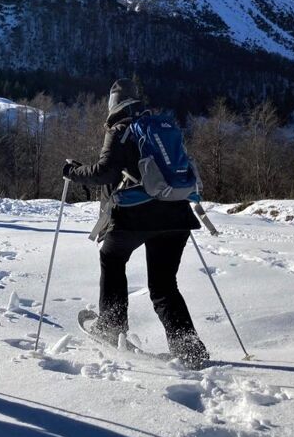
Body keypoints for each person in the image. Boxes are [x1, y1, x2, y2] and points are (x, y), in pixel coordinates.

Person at [62, 78, 210, 370]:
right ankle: (190, 348)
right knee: (164, 285)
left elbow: (104, 173)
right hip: (176, 214)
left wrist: (73, 171)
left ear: (113, 105)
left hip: (135, 215)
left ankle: (111, 325)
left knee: (112, 257)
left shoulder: (120, 130)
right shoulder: (159, 126)